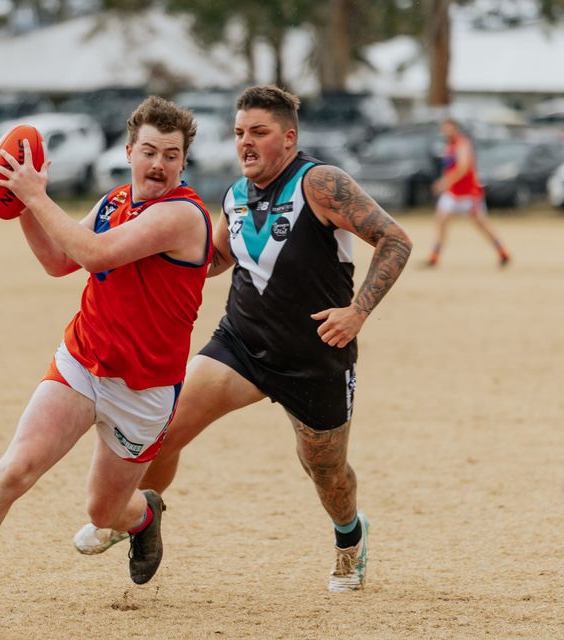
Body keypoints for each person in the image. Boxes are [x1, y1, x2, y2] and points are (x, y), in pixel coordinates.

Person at [73, 85, 413, 593]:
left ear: (289, 137)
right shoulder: (235, 196)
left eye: (259, 132)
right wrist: (147, 263)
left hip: (315, 358)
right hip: (241, 347)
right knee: (160, 430)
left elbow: (395, 239)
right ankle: (134, 516)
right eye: (238, 133)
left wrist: (358, 312)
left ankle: (350, 537)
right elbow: (209, 261)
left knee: (326, 471)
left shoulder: (320, 183)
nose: (246, 143)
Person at [0, 96, 212, 623]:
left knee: (103, 510)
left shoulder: (182, 215)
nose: (159, 164)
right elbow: (59, 260)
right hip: (83, 362)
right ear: (129, 150)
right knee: (15, 469)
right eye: (150, 151)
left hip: (145, 389)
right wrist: (22, 207)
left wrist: (35, 195)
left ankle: (142, 516)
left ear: (183, 162)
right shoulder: (113, 202)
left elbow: (96, 254)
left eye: (172, 155)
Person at [426, 117, 510, 267]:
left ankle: (502, 251)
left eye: (447, 127)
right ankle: (434, 256)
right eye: (443, 127)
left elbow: (463, 167)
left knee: (482, 225)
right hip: (453, 193)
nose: (444, 130)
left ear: (455, 128)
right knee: (441, 220)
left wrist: (444, 182)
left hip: (469, 193)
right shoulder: (449, 145)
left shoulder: (462, 143)